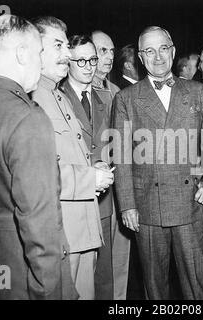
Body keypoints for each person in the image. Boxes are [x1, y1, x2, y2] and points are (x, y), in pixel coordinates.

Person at [0, 14, 77, 299]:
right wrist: (49, 291)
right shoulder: (27, 117)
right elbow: (39, 223)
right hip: (19, 270)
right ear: (22, 53)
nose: (41, 62)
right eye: (40, 52)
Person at [112, 26, 203, 299]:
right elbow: (123, 157)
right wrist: (127, 204)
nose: (158, 57)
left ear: (173, 52)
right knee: (154, 285)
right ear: (140, 57)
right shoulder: (126, 98)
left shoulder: (198, 92)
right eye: (149, 51)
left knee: (197, 281)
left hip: (190, 203)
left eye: (163, 48)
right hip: (147, 204)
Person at [31, 17, 114, 300]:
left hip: (83, 226)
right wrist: (91, 177)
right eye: (59, 46)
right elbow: (38, 173)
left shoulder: (57, 96)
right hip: (64, 229)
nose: (67, 55)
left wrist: (94, 168)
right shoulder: (33, 98)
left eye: (67, 46)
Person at [59, 34, 115, 299]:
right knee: (72, 280)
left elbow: (119, 141)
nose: (89, 66)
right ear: (67, 61)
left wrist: (108, 159)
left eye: (93, 59)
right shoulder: (56, 98)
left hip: (103, 200)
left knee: (103, 276)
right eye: (80, 60)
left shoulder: (108, 96)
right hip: (73, 201)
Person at [91, 30, 130, 300]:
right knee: (96, 262)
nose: (108, 57)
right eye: (102, 51)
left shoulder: (117, 92)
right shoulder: (75, 90)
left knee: (120, 256)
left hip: (119, 186)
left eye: (111, 51)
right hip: (94, 187)